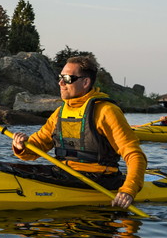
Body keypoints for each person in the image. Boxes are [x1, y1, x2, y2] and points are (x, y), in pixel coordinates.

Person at [10, 55, 147, 210]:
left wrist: (128, 190)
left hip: (98, 179)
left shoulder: (106, 112)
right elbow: (37, 146)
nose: (60, 83)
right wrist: (21, 146)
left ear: (85, 82)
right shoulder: (60, 112)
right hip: (64, 174)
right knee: (10, 168)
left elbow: (135, 155)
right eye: (60, 77)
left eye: (67, 78)